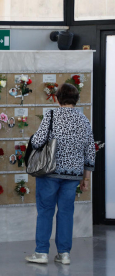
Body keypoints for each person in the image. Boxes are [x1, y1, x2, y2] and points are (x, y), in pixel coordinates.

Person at [25, 83, 95, 265]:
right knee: (66, 213)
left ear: (57, 98)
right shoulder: (84, 120)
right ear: (76, 100)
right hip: (73, 176)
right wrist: (86, 178)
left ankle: (41, 252)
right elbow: (90, 152)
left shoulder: (51, 115)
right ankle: (64, 254)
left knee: (45, 211)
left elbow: (39, 141)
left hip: (49, 172)